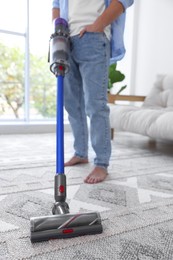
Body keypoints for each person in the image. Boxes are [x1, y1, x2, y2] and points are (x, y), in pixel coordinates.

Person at [52, 0, 134, 184]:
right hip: (64, 39)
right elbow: (56, 4)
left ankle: (101, 162)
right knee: (72, 104)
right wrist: (57, 31)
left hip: (93, 38)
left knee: (95, 104)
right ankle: (81, 152)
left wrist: (98, 25)